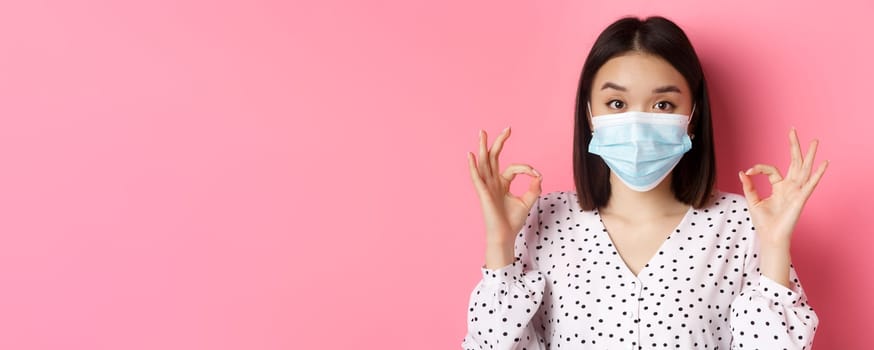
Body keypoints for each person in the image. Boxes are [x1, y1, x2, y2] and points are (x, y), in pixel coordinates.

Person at [462, 16, 828, 350]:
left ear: (693, 115)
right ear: (589, 114)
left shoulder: (742, 223)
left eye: (663, 105)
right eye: (617, 103)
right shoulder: (545, 219)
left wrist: (776, 245)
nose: (637, 124)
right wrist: (500, 243)